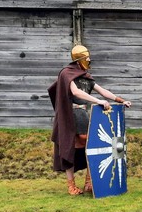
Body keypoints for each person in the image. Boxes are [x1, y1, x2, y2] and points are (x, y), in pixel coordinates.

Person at [48, 44, 131, 195]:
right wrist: (97, 101)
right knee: (69, 149)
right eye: (87, 58)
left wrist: (120, 100)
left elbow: (102, 90)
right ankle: (71, 185)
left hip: (83, 115)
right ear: (79, 59)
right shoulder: (66, 74)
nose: (89, 60)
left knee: (91, 146)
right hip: (69, 116)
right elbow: (76, 92)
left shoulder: (86, 77)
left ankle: (89, 182)